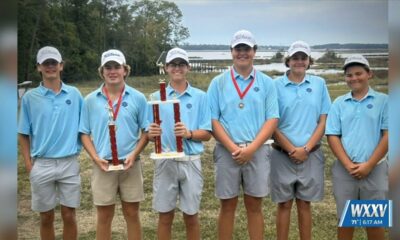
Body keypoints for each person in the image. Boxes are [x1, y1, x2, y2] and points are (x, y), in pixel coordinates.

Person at [207, 29, 279, 239]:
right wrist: (233, 148)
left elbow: (272, 119)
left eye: (246, 49)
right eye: (238, 49)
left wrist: (252, 149)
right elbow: (213, 120)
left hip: (257, 150)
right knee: (227, 204)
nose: (242, 53)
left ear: (254, 51)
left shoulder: (267, 83)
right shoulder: (218, 83)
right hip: (226, 151)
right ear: (231, 51)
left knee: (254, 205)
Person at [79, 49, 148, 240]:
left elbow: (147, 131)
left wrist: (134, 154)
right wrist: (95, 157)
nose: (112, 71)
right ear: (101, 72)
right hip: (103, 165)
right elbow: (84, 133)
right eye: (107, 67)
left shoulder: (138, 98)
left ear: (125, 70)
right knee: (104, 216)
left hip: (130, 164)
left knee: (132, 214)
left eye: (117, 66)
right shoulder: (90, 100)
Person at [18, 46, 83, 240]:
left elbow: (85, 128)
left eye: (54, 63)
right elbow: (23, 133)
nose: (50, 67)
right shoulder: (30, 98)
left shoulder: (75, 94)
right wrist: (29, 164)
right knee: (46, 216)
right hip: (42, 163)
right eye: (46, 63)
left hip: (69, 162)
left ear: (61, 66)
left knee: (69, 215)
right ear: (39, 67)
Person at [147, 47, 212, 240]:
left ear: (188, 67)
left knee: (191, 216)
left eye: (181, 64)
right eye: (173, 64)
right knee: (165, 217)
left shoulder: (201, 96)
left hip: (191, 160)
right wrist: (151, 134)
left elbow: (207, 133)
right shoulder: (155, 97)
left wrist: (189, 133)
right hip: (165, 161)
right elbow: (149, 134)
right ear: (166, 68)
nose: (177, 68)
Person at [270, 41, 331, 240]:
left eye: (303, 58)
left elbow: (323, 120)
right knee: (284, 204)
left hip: (310, 154)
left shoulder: (319, 84)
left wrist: (305, 148)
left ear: (309, 61)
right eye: (295, 58)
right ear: (287, 61)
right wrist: (291, 149)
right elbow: (271, 122)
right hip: (281, 154)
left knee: (305, 204)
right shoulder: (275, 85)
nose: (299, 61)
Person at [326, 54, 388, 240]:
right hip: (346, 170)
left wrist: (369, 164)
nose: (354, 78)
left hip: (375, 168)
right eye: (349, 75)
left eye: (358, 73)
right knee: (346, 220)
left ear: (369, 74)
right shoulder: (339, 103)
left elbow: (388, 135)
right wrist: (347, 164)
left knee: (374, 221)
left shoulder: (383, 101)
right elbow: (332, 135)